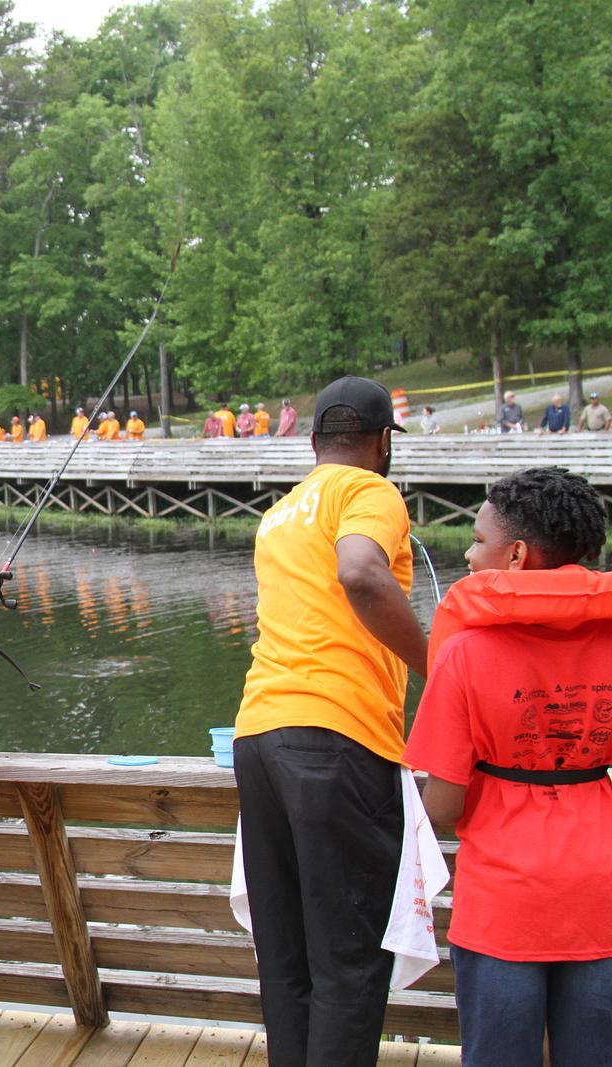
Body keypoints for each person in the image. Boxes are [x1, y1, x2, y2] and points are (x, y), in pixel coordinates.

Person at [233, 377, 427, 1066]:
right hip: (337, 736)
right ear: (380, 443)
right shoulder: (370, 491)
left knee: (287, 959)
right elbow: (362, 573)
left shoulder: (280, 513)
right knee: (348, 957)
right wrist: (433, 660)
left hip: (258, 736)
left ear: (312, 438)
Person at [404, 467, 611, 1065]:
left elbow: (441, 806)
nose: (468, 554)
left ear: (516, 554)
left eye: (476, 539)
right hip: (602, 891)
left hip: (503, 902)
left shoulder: (466, 653)